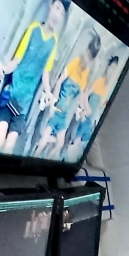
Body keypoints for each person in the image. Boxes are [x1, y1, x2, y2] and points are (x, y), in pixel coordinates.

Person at [0, 0, 68, 154]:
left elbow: (46, 72)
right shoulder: (34, 29)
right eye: (57, 8)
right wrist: (3, 69)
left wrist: (48, 92)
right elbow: (16, 61)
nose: (58, 15)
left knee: (9, 148)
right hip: (10, 96)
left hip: (24, 106)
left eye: (62, 13)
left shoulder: (54, 42)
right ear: (51, 4)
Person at [34, 31, 102, 160]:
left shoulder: (85, 72)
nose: (88, 59)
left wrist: (85, 109)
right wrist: (53, 103)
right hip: (57, 108)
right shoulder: (75, 62)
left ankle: (45, 161)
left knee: (59, 145)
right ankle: (36, 156)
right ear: (86, 51)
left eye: (91, 58)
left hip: (64, 115)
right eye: (88, 55)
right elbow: (60, 81)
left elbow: (81, 94)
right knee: (43, 142)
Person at [61, 52, 121, 162]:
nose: (112, 72)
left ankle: (66, 158)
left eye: (114, 70)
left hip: (89, 121)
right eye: (112, 68)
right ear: (107, 67)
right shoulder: (99, 82)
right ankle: (64, 158)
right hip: (85, 118)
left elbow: (98, 105)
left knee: (78, 146)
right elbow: (85, 94)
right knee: (74, 143)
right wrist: (86, 108)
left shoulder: (106, 87)